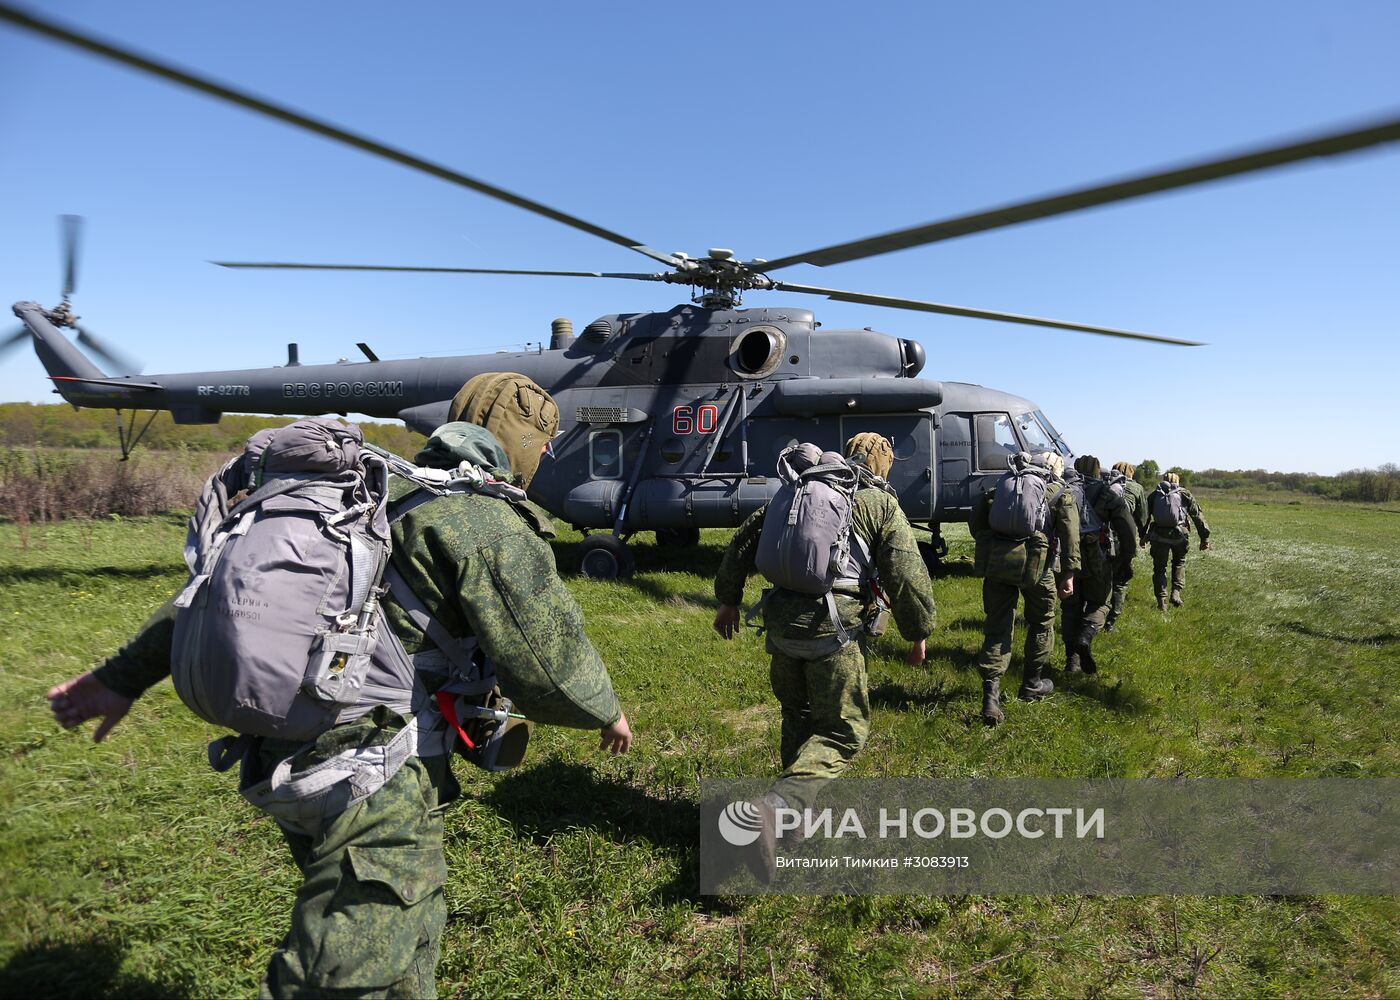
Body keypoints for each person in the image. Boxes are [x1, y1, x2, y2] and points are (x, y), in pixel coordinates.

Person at [47, 378, 632, 999]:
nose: (543, 461)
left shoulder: (376, 493)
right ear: (520, 442)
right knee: (347, 967)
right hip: (374, 771)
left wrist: (120, 679)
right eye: (542, 447)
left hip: (286, 755)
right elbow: (544, 656)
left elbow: (208, 599)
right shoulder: (479, 517)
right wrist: (606, 712)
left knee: (407, 924)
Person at [712, 433, 935, 832]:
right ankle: (778, 808)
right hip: (833, 634)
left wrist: (728, 600)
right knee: (843, 731)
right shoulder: (879, 504)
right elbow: (906, 573)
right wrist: (919, 632)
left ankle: (788, 822)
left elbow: (741, 544)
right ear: (885, 465)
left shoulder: (799, 489)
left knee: (797, 715)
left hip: (781, 628)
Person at [969, 450, 1080, 726]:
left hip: (998, 566)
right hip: (1038, 570)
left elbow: (976, 523)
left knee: (997, 627)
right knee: (1042, 622)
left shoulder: (1001, 487)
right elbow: (1070, 538)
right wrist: (1069, 574)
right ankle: (1032, 683)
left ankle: (990, 698)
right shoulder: (1059, 494)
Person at [1060, 455, 1137, 674]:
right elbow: (1127, 529)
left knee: (1070, 607)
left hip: (1067, 556)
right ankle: (1087, 635)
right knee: (1100, 603)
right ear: (1097, 471)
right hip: (1098, 557)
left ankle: (1071, 662)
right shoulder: (1108, 494)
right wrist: (1126, 557)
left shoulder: (1064, 491)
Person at [1144, 471, 1211, 609]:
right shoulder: (1185, 494)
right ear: (1178, 481)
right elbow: (1197, 516)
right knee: (1179, 562)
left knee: (1159, 569)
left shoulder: (1155, 494)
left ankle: (1162, 602)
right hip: (1180, 535)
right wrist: (1204, 538)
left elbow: (1145, 517)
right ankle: (1176, 593)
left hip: (1158, 536)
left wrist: (1144, 535)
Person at [1104, 461, 1149, 632]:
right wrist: (1143, 535)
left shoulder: (1104, 484)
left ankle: (1095, 616)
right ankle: (1110, 622)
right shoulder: (1137, 488)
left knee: (1101, 578)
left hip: (1102, 537)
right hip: (1124, 539)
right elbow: (1142, 517)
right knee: (1120, 580)